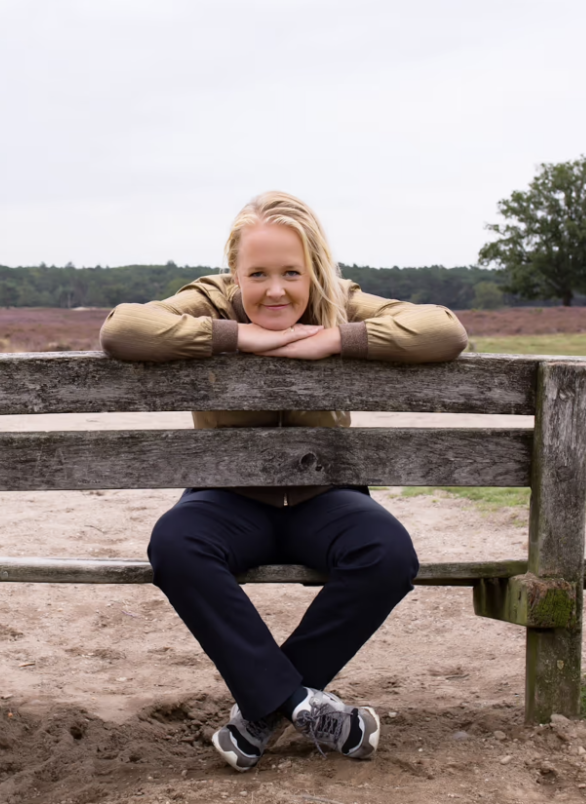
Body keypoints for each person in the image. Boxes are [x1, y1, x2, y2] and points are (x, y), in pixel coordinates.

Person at [99, 191, 468, 771]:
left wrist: (338, 338)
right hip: (227, 499)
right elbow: (123, 329)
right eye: (259, 274)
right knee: (176, 544)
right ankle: (300, 703)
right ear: (235, 272)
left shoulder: (337, 300)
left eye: (291, 272)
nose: (276, 290)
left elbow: (444, 331)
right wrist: (238, 336)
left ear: (314, 269)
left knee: (388, 552)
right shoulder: (209, 299)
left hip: (325, 497)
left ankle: (262, 713)